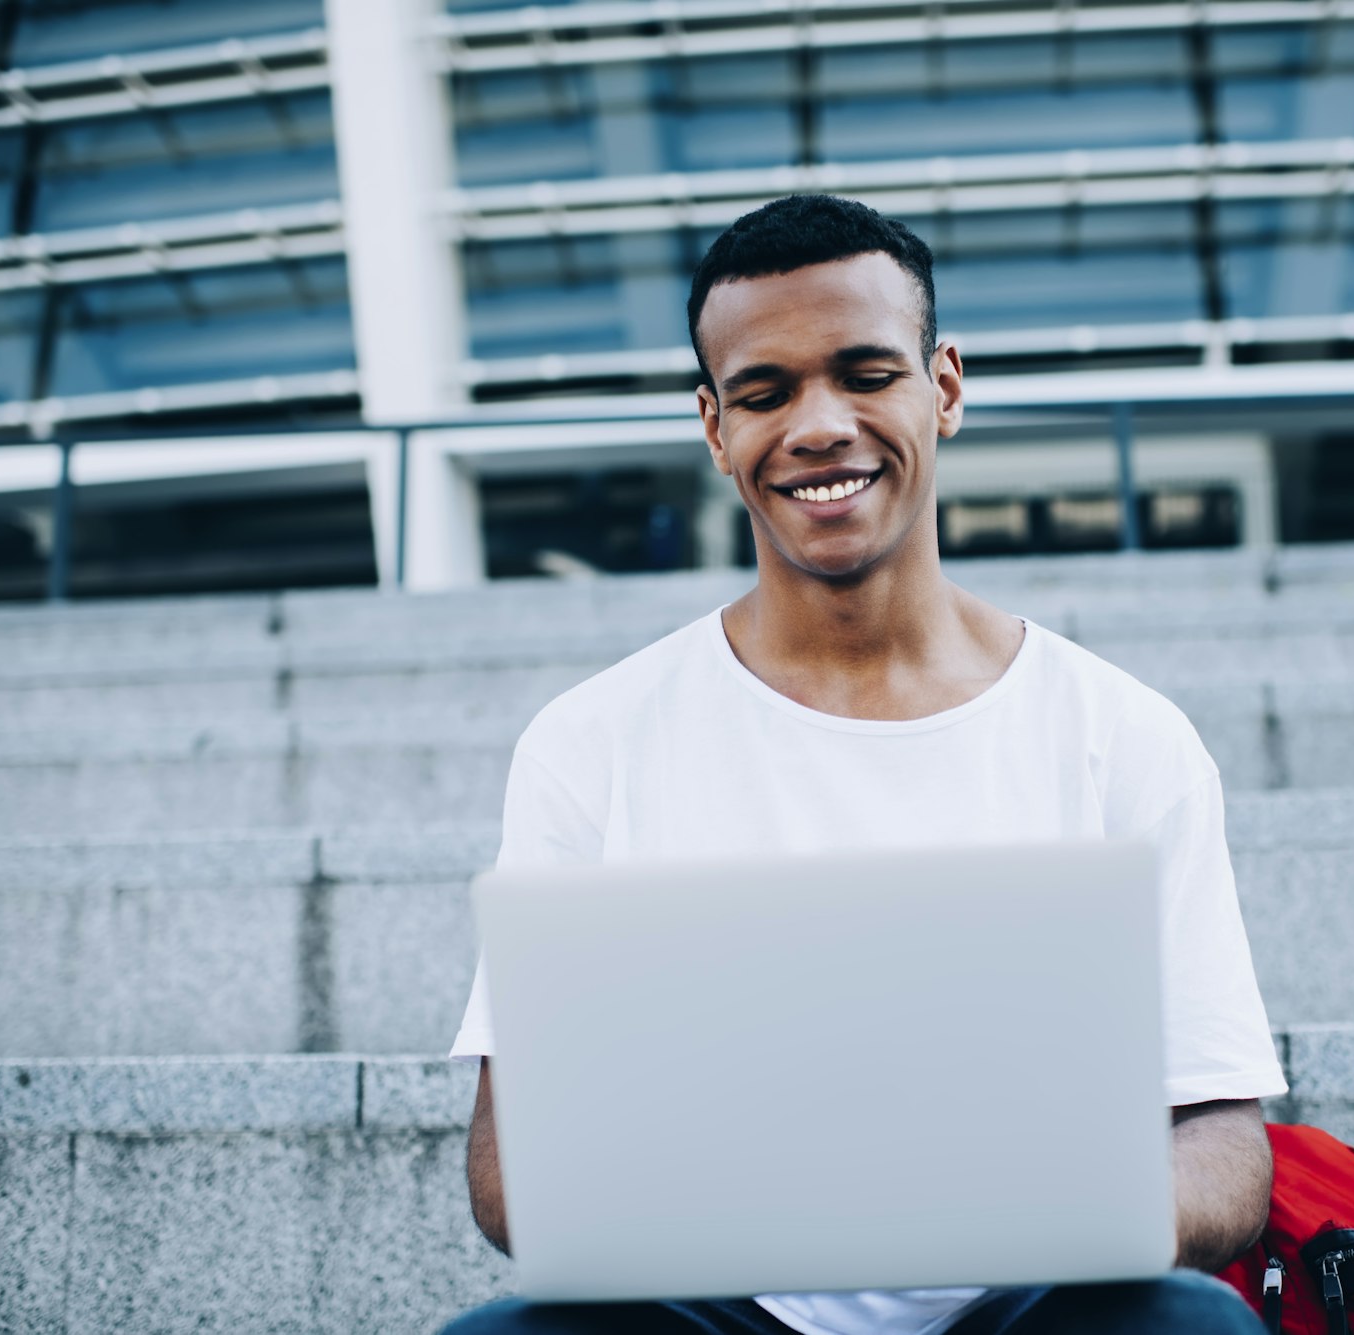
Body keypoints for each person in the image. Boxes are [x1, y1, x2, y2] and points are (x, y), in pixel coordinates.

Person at [440, 194, 1281, 1335]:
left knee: (1189, 1327)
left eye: (864, 373)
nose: (818, 425)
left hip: (1027, 1301)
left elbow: (1224, 1146)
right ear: (711, 427)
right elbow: (512, 1179)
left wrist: (1042, 1208)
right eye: (764, 392)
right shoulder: (593, 742)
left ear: (942, 388)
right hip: (721, 1309)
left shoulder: (1120, 734)